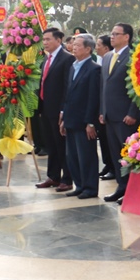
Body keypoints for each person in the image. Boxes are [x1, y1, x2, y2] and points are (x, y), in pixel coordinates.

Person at [100, 23, 140, 203]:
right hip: (110, 115)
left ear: (126, 37)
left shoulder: (134, 57)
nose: (112, 37)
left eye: (116, 34)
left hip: (126, 116)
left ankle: (133, 190)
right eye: (111, 34)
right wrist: (102, 110)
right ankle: (121, 186)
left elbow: (138, 87)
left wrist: (133, 112)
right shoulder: (107, 57)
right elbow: (103, 86)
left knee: (130, 155)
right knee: (116, 155)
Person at [60, 33, 101, 199]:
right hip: (70, 119)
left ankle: (90, 188)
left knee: (86, 156)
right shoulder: (73, 66)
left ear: (88, 49)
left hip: (84, 120)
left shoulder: (94, 69)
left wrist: (90, 122)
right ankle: (80, 185)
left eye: (77, 45)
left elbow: (93, 98)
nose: (73, 47)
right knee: (73, 156)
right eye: (73, 44)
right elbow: (67, 94)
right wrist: (63, 117)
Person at [35, 28, 75, 190]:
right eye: (43, 40)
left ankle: (67, 178)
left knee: (62, 145)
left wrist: (63, 110)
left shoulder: (67, 59)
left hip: (58, 109)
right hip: (45, 108)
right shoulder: (46, 59)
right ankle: (53, 176)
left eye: (48, 39)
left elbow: (67, 87)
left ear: (59, 40)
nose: (45, 42)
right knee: (51, 144)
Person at [94, 34, 114, 179]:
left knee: (111, 142)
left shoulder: (110, 59)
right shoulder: (102, 60)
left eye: (98, 44)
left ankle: (113, 167)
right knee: (105, 141)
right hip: (102, 108)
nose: (96, 47)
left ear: (106, 48)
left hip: (113, 110)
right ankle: (108, 165)